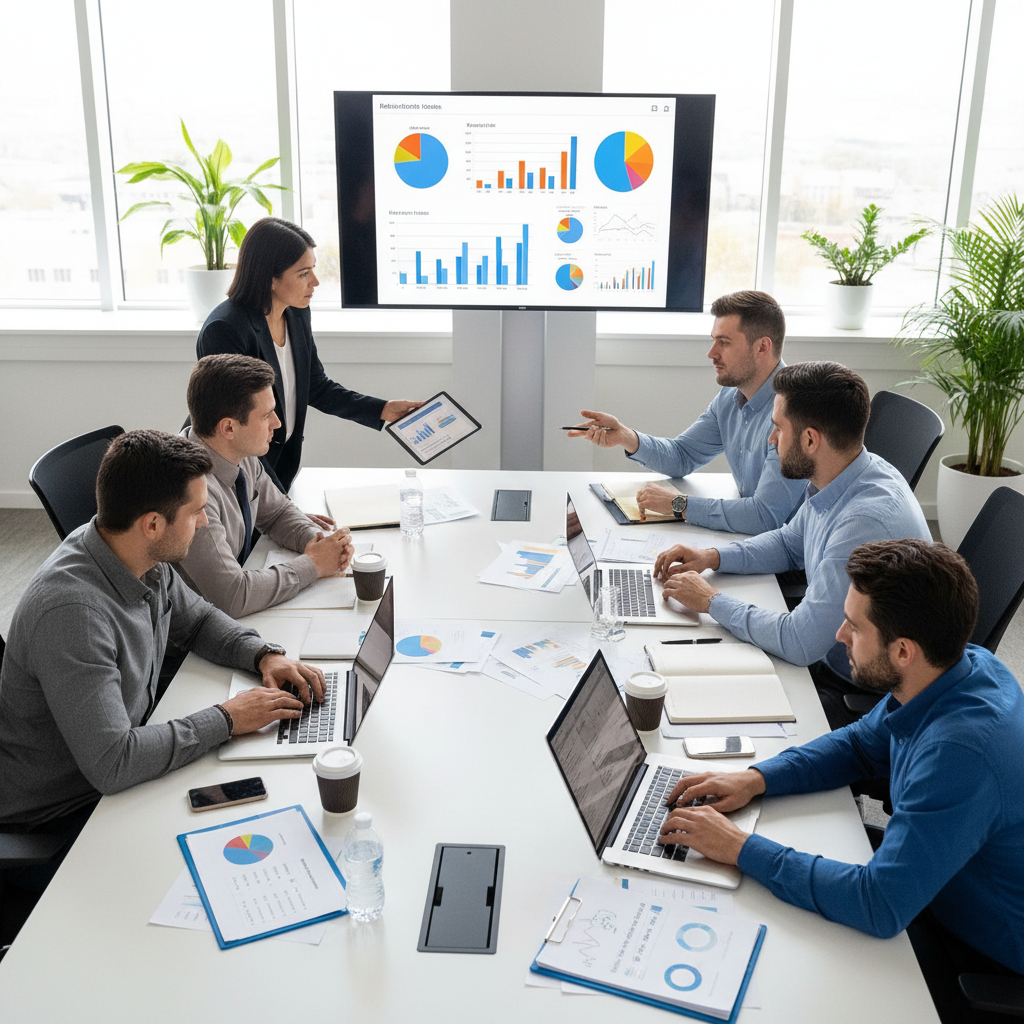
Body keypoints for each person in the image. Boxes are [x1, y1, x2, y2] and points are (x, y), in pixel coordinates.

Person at [657, 539, 1024, 993]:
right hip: (935, 880)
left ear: (903, 651)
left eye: (854, 626)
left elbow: (879, 904)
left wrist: (739, 847)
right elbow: (859, 746)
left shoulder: (961, 755)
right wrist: (755, 778)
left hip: (981, 954)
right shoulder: (957, 667)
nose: (839, 635)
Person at [0, 430, 328, 890]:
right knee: (248, 865)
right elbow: (114, 762)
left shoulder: (132, 553)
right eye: (196, 513)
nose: (206, 522)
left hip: (120, 762)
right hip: (65, 814)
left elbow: (198, 621)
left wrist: (262, 654)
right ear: (153, 524)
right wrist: (228, 718)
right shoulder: (74, 615)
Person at [652, 361, 930, 728]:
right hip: (827, 659)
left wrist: (711, 601)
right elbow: (788, 544)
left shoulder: (862, 525)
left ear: (810, 440)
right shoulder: (845, 474)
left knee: (699, 703)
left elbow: (800, 642)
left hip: (862, 696)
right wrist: (712, 557)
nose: (771, 439)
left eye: (778, 428)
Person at [196, 217, 424, 493]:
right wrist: (279, 505)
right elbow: (236, 431)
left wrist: (383, 409)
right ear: (270, 279)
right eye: (303, 273)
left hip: (280, 467)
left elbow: (316, 386)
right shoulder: (225, 329)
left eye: (313, 269)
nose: (315, 282)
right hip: (235, 478)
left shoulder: (296, 312)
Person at [567, 290, 805, 534]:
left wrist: (678, 505)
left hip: (791, 553)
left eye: (724, 342)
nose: (711, 353)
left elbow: (764, 517)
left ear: (762, 347)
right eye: (713, 340)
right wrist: (625, 436)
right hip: (753, 539)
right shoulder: (729, 397)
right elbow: (682, 456)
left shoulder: (795, 412)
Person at [177, 354, 355, 617]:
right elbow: (232, 595)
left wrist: (317, 541)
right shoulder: (189, 491)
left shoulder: (240, 452)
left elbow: (277, 513)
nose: (278, 423)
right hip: (190, 631)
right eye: (267, 415)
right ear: (228, 428)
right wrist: (314, 564)